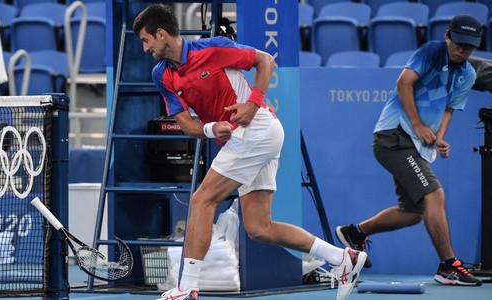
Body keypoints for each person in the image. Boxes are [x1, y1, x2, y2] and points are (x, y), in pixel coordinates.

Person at [133, 4, 366, 300]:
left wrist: (253, 103)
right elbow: (185, 123)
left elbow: (265, 60)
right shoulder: (161, 74)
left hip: (257, 129)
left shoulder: (214, 49)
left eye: (146, 40)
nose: (144, 48)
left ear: (162, 33)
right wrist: (209, 128)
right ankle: (341, 258)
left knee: (202, 200)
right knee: (259, 227)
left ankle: (187, 287)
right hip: (245, 137)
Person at [335, 14, 483, 286]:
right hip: (393, 136)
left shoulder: (468, 74)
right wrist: (417, 125)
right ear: (448, 37)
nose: (462, 50)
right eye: (459, 42)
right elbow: (403, 83)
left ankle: (356, 233)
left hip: (414, 145)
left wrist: (438, 138)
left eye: (469, 46)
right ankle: (448, 266)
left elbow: (449, 109)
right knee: (434, 194)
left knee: (414, 212)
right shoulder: (431, 52)